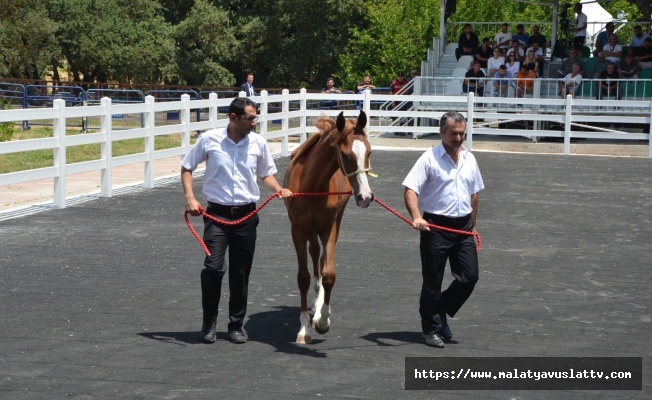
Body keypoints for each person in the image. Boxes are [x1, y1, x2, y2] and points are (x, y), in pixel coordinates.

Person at [181, 97, 293, 345]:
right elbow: (187, 167)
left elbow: (266, 174)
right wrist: (190, 198)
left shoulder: (258, 143)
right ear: (233, 118)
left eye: (255, 117)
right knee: (213, 268)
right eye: (250, 118)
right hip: (216, 215)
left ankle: (235, 326)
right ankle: (208, 323)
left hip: (246, 215)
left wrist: (278, 189)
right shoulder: (209, 139)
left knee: (240, 272)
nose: (254, 122)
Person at [402, 111, 484, 348]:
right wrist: (417, 216)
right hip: (435, 227)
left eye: (462, 133)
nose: (458, 138)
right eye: (453, 133)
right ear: (442, 132)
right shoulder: (429, 158)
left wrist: (474, 226)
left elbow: (475, 194)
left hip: (464, 227)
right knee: (432, 281)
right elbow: (410, 189)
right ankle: (431, 329)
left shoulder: (470, 159)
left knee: (469, 277)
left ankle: (440, 309)